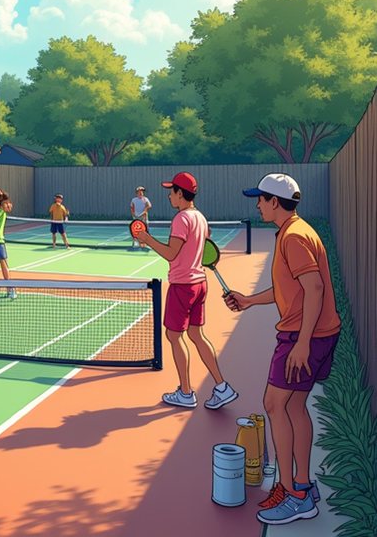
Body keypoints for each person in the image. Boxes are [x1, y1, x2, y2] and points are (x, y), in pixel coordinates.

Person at [224, 174, 339, 526]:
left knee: (275, 405)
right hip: (318, 332)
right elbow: (290, 290)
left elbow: (316, 288)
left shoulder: (293, 237)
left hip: (303, 336)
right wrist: (248, 301)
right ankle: (301, 484)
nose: (257, 204)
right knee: (294, 405)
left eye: (260, 199)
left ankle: (294, 496)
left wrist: (302, 343)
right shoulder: (296, 231)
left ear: (275, 201)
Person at [134, 171, 237, 410]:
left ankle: (186, 393)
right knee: (197, 335)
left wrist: (147, 239)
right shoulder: (200, 217)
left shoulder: (181, 219)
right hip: (200, 284)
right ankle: (222, 387)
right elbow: (204, 243)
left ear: (181, 194)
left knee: (174, 336)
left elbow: (172, 254)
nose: (169, 196)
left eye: (172, 192)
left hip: (183, 286)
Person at [130, 186, 152, 251]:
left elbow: (149, 206)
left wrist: (144, 212)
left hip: (144, 218)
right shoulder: (134, 200)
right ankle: (136, 242)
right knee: (135, 231)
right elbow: (132, 207)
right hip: (136, 217)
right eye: (140, 191)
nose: (141, 193)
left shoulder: (146, 199)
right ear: (137, 192)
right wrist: (133, 215)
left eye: (142, 191)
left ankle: (146, 243)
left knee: (145, 230)